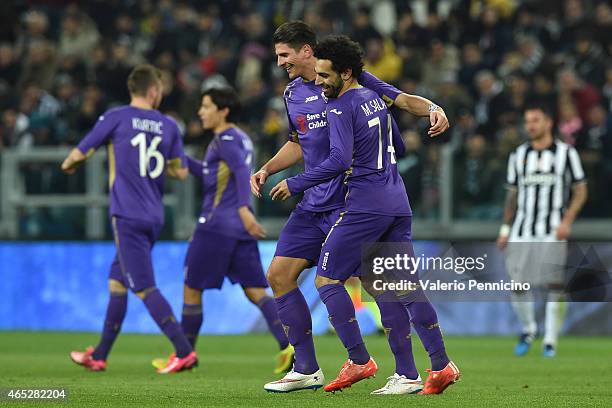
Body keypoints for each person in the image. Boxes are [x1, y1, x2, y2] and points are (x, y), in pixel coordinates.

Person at [256, 21, 451, 394]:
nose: (280, 62)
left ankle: (400, 369)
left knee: (378, 285)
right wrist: (267, 168)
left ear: (306, 51)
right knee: (279, 275)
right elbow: (299, 142)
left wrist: (433, 108)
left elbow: (403, 101)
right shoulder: (292, 93)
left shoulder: (351, 83)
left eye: (285, 55)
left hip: (347, 201)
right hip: (311, 204)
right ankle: (307, 368)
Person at [62, 64, 197, 374]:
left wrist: (68, 164)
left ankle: (183, 350)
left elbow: (83, 150)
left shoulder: (116, 117)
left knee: (144, 286)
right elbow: (181, 172)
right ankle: (99, 355)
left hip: (127, 215)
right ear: (152, 91)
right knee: (117, 282)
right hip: (153, 216)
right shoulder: (169, 125)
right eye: (160, 90)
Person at [151, 87, 292, 374]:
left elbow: (241, 171)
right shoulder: (241, 138)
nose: (201, 112)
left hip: (216, 225)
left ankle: (184, 354)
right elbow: (214, 174)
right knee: (255, 291)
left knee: (192, 288)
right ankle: (288, 345)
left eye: (206, 106)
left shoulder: (224, 139)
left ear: (223, 110)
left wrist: (242, 206)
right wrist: (185, 163)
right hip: (240, 228)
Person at [497, 104, 587, 357]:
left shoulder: (566, 154)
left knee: (554, 284)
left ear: (548, 122)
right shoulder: (518, 154)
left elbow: (580, 189)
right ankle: (528, 329)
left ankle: (550, 341)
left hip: (552, 229)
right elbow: (512, 196)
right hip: (522, 229)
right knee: (518, 283)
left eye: (535, 120)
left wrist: (567, 220)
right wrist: (505, 228)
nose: (530, 126)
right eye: (527, 121)